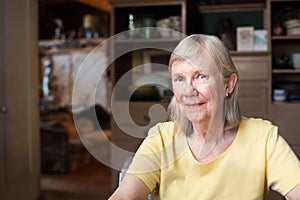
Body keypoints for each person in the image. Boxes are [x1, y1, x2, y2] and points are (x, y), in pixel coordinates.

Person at [109, 34, 300, 199]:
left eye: (201, 76)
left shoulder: (263, 138)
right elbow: (125, 195)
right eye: (180, 79)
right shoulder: (161, 138)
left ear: (228, 84)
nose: (188, 91)